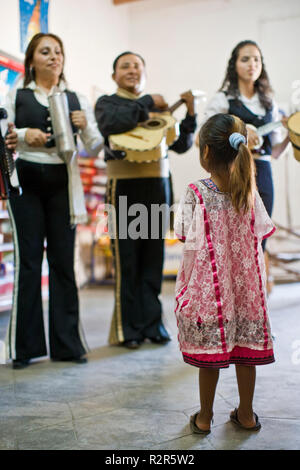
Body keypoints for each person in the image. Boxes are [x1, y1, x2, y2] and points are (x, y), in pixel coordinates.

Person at [5, 33, 103, 369]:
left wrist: (85, 124)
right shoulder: (16, 94)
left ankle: (67, 345)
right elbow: (2, 131)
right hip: (26, 184)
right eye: (45, 52)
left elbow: (96, 144)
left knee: (63, 263)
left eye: (58, 51)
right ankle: (25, 349)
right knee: (30, 263)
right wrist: (20, 135)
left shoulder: (75, 98)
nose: (53, 57)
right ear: (31, 60)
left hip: (64, 183)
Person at [175, 113, 276, 434]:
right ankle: (245, 415)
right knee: (246, 353)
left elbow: (181, 233)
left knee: (211, 356)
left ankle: (204, 418)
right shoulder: (248, 189)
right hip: (246, 291)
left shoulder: (196, 191)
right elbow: (263, 231)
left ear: (205, 153)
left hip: (211, 292)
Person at [95, 51, 197, 349]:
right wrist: (147, 102)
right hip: (123, 187)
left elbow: (180, 145)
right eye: (125, 65)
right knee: (127, 260)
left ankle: (153, 325)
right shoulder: (108, 104)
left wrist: (190, 114)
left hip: (157, 186)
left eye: (138, 66)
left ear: (145, 74)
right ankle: (128, 329)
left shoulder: (160, 110)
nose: (132, 70)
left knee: (153, 258)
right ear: (114, 75)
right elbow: (111, 125)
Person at [202, 40, 289, 294]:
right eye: (245, 59)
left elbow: (273, 152)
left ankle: (256, 311)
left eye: (257, 59)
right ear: (234, 64)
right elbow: (205, 136)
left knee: (259, 243)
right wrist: (238, 131)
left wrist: (289, 135)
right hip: (231, 174)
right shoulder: (223, 100)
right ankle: (230, 310)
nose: (252, 64)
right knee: (233, 244)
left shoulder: (269, 103)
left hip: (262, 175)